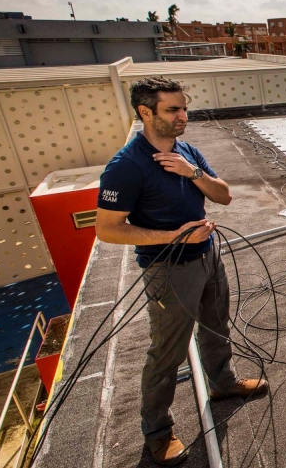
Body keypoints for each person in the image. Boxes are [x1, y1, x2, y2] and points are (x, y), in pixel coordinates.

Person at [96, 77, 268, 466]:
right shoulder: (126, 166)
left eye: (183, 108)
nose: (182, 116)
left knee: (215, 324)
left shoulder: (186, 150)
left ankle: (223, 383)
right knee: (167, 352)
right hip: (168, 269)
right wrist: (173, 237)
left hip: (208, 256)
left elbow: (223, 195)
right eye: (172, 109)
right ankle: (157, 432)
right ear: (145, 112)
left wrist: (192, 172)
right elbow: (107, 229)